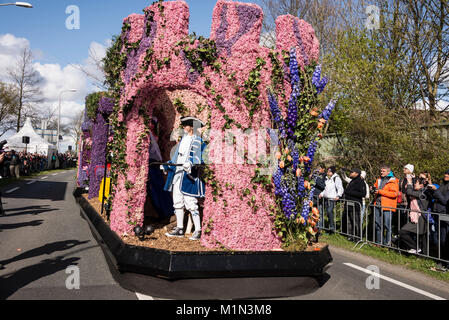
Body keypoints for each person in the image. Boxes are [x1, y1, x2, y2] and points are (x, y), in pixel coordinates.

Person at [162, 116, 207, 241]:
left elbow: (201, 158)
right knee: (177, 202)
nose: (183, 127)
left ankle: (198, 230)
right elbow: (177, 157)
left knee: (191, 203)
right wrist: (167, 164)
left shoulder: (198, 140)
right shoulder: (183, 140)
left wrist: (191, 164)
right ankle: (180, 228)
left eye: (185, 125)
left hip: (189, 177)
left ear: (191, 127)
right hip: (178, 174)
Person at [146, 117, 173, 220]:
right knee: (154, 188)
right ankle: (162, 212)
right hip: (151, 162)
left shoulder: (153, 135)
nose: (151, 124)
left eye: (153, 122)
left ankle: (165, 212)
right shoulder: (147, 134)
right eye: (150, 121)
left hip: (155, 163)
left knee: (160, 188)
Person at [398, 177, 429, 254]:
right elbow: (406, 191)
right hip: (415, 217)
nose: (415, 184)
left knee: (422, 237)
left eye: (416, 183)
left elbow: (409, 192)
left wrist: (409, 182)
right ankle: (415, 248)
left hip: (421, 217)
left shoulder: (422, 193)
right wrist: (408, 182)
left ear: (421, 185)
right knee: (403, 231)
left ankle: (423, 254)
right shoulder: (416, 191)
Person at [372, 165, 399, 246]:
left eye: (383, 171)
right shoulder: (379, 179)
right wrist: (372, 189)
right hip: (377, 204)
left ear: (388, 172)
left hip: (388, 206)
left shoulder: (393, 181)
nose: (381, 172)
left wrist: (380, 191)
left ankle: (388, 244)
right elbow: (375, 188)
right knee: (378, 224)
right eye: (381, 171)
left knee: (387, 226)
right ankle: (379, 242)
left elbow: (394, 194)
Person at [430, 170, 449, 270]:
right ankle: (440, 260)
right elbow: (437, 197)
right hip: (437, 214)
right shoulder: (443, 184)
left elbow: (445, 200)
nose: (445, 175)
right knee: (438, 238)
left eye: (448, 174)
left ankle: (444, 261)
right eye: (445, 173)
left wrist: (436, 191)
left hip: (445, 215)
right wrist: (431, 189)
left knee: (444, 240)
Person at [343, 168, 366, 241]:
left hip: (356, 205)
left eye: (352, 172)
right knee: (349, 221)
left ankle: (358, 237)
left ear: (357, 173)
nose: (350, 173)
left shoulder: (361, 182)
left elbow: (363, 194)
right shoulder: (352, 181)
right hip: (348, 204)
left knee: (356, 221)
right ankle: (350, 236)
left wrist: (349, 192)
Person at [319, 166, 344, 233]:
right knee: (328, 213)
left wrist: (338, 195)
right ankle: (330, 228)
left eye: (329, 171)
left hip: (332, 198)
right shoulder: (328, 179)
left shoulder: (336, 178)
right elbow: (326, 189)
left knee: (330, 211)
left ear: (332, 172)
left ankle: (332, 228)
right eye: (327, 171)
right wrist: (321, 194)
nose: (327, 172)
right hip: (327, 198)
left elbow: (340, 188)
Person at [314, 163, 326, 231]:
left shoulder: (325, 176)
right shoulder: (316, 175)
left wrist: (316, 181)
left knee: (320, 213)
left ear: (323, 169)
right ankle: (314, 227)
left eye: (319, 168)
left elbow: (324, 186)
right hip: (313, 196)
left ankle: (320, 228)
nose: (318, 170)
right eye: (317, 168)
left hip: (320, 197)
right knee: (314, 212)